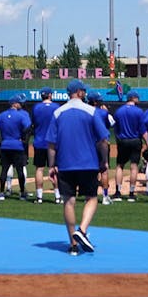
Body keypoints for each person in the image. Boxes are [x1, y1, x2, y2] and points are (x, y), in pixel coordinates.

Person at [47, 78, 110, 256]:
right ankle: (82, 231)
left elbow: (51, 144)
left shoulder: (58, 112)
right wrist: (104, 161)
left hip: (65, 163)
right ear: (80, 92)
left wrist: (52, 166)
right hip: (88, 162)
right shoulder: (91, 111)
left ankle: (73, 245)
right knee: (91, 198)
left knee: (69, 201)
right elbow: (103, 140)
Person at [0, 93, 33, 200]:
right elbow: (28, 127)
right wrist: (23, 137)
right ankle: (22, 193)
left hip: (5, 146)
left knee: (4, 170)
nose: (21, 104)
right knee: (20, 170)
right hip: (17, 146)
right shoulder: (20, 115)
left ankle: (1, 193)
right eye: (19, 103)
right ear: (14, 104)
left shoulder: (2, 115)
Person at [111, 89, 146, 202]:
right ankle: (131, 194)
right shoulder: (139, 111)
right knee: (134, 166)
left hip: (123, 140)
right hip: (135, 140)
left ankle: (117, 192)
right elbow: (143, 130)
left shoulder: (118, 111)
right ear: (133, 98)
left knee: (120, 166)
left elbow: (115, 129)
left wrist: (118, 140)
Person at [30, 87, 59, 203]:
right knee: (55, 169)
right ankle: (57, 197)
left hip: (39, 142)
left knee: (39, 169)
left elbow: (33, 123)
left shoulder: (36, 107)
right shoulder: (56, 107)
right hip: (53, 142)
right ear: (50, 95)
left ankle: (39, 197)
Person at [87, 91, 117, 201]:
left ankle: (90, 195)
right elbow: (111, 124)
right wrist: (106, 112)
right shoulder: (104, 113)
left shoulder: (85, 112)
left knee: (90, 171)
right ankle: (105, 196)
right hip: (101, 143)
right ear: (95, 102)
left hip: (88, 144)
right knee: (104, 169)